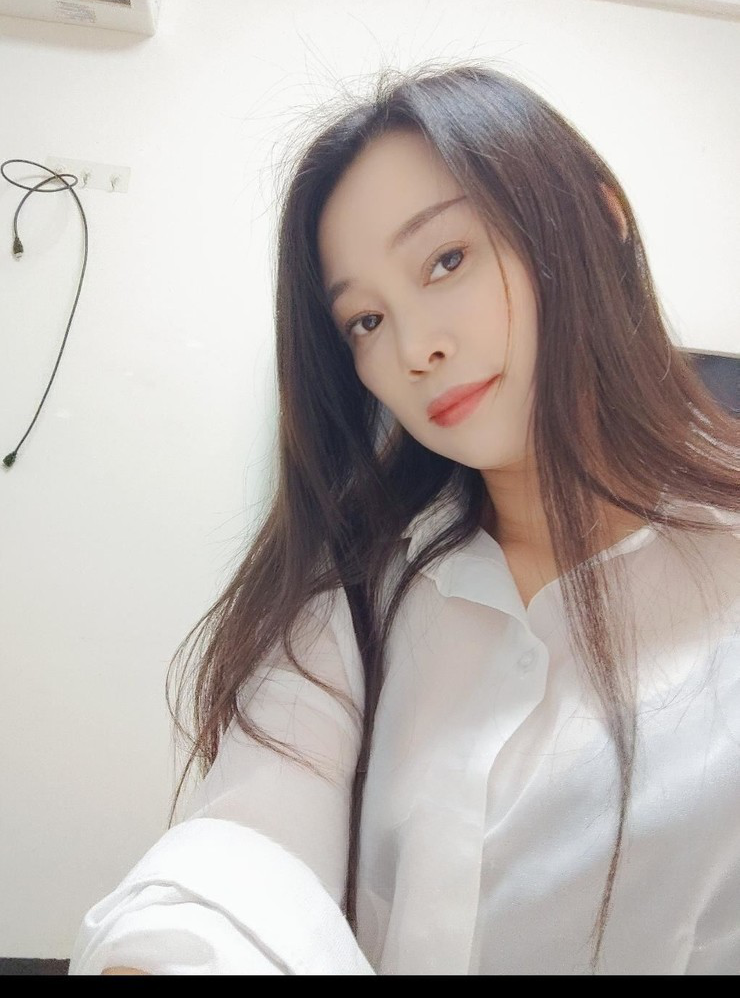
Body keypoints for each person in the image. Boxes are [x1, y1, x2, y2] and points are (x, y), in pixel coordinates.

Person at [68, 61, 740, 975]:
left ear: (599, 215)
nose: (416, 348)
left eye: (446, 261)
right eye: (366, 321)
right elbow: (253, 844)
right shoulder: (358, 589)